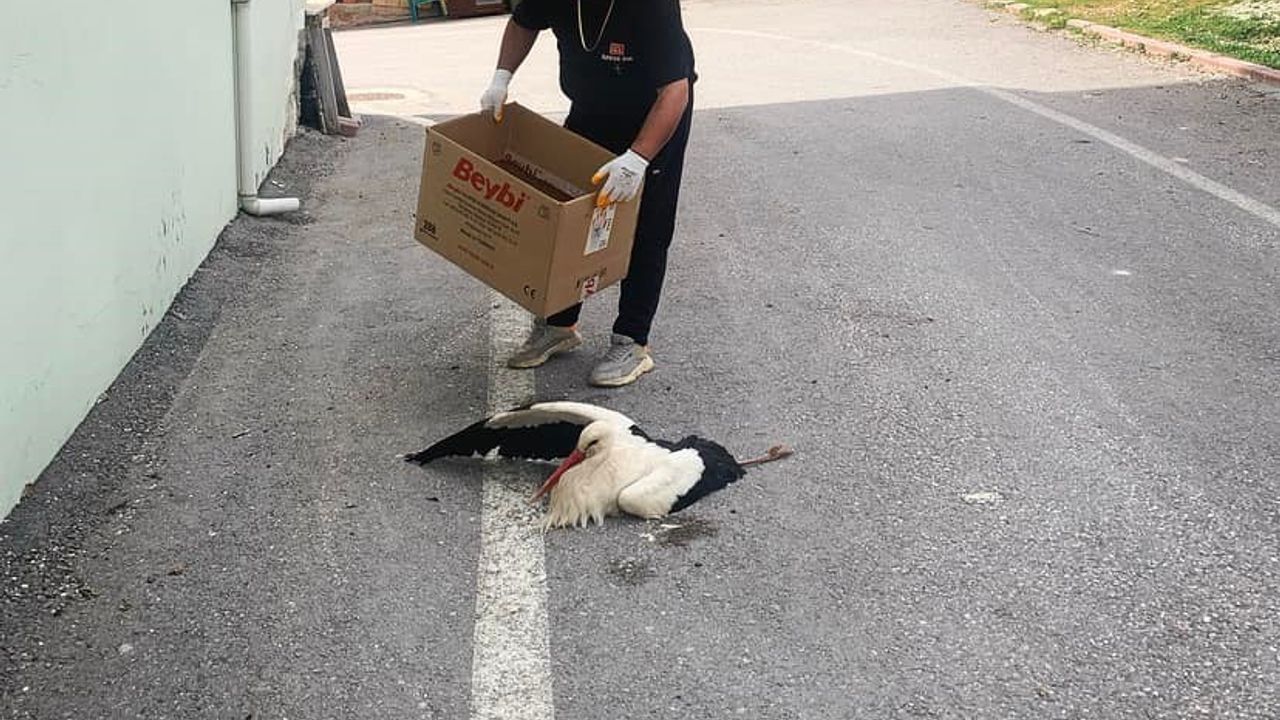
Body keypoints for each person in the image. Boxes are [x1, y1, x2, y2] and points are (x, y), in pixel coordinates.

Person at [480, 0, 696, 388]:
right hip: (592, 102)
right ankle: (560, 325)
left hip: (655, 107)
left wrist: (637, 159)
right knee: (570, 211)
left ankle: (632, 340)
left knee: (646, 222)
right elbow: (523, 22)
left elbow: (675, 89)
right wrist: (500, 77)